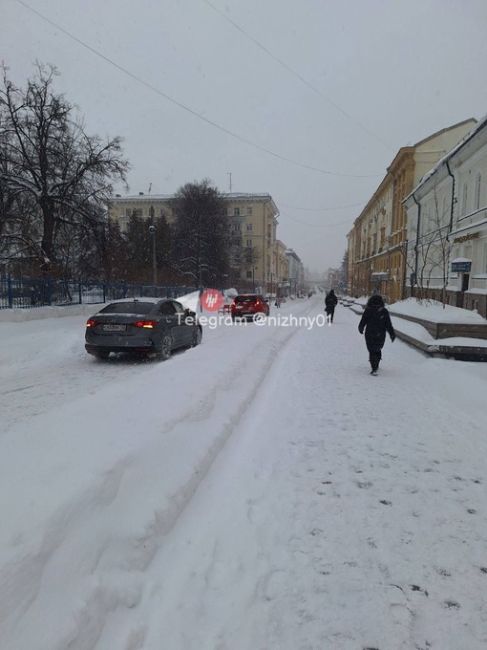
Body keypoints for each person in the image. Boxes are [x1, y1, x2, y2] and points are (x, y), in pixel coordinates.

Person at [358, 294, 396, 375]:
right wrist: (392, 334)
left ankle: (374, 367)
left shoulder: (368, 310)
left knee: (371, 350)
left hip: (369, 334)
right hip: (380, 334)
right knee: (377, 349)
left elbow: (363, 321)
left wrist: (360, 328)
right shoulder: (384, 311)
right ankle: (376, 364)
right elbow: (388, 324)